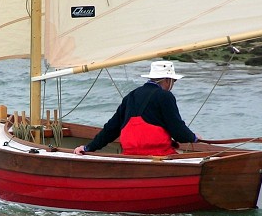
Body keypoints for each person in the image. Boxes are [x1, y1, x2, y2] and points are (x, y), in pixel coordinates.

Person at [73, 61, 201, 156]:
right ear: (167, 80)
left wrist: (88, 148)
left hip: (130, 155)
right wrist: (193, 137)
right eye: (173, 81)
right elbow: (177, 130)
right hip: (158, 154)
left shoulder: (131, 96)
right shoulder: (165, 96)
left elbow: (111, 128)